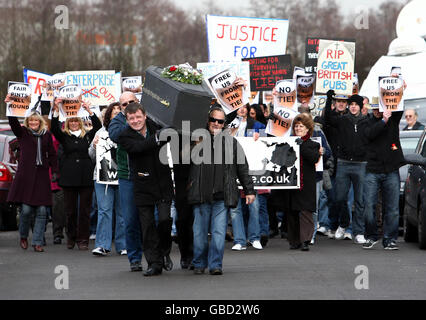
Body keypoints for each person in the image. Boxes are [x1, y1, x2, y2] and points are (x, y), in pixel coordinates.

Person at [188, 105, 255, 275]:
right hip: (201, 194)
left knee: (218, 233)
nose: (216, 123)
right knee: (199, 235)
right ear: (207, 120)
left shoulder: (231, 143)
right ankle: (198, 263)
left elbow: (242, 167)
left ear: (224, 123)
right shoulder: (195, 138)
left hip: (222, 195)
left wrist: (249, 190)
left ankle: (215, 264)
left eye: (220, 121)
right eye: (213, 120)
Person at [118, 102, 174, 277]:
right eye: (131, 118)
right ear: (127, 120)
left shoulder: (155, 125)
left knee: (165, 220)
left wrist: (165, 132)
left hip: (163, 182)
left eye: (138, 117)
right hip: (142, 185)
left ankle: (164, 252)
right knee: (147, 226)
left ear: (145, 115)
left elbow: (171, 130)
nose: (135, 121)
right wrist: (157, 138)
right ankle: (154, 263)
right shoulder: (124, 135)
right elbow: (138, 148)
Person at [5, 96, 58, 252]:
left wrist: (55, 171)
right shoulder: (23, 134)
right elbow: (13, 122)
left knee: (42, 211)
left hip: (41, 176)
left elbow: (52, 154)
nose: (34, 124)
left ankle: (37, 242)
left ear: (40, 122)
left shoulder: (46, 135)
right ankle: (23, 236)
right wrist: (10, 106)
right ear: (28, 123)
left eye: (36, 121)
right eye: (31, 122)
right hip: (26, 176)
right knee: (26, 210)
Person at [51, 99, 102, 250]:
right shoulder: (64, 136)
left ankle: (83, 239)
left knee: (85, 211)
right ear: (68, 123)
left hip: (85, 177)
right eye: (71, 121)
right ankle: (71, 237)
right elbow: (54, 128)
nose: (74, 123)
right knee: (70, 211)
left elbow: (98, 126)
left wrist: (89, 110)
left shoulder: (87, 136)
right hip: (69, 178)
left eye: (76, 121)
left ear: (80, 122)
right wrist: (55, 109)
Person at [271, 113, 322, 251]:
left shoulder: (314, 144)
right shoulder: (289, 142)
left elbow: (313, 158)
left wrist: (301, 145)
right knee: (292, 211)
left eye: (301, 126)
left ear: (308, 129)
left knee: (306, 212)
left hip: (306, 182)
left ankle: (305, 240)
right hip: (291, 181)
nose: (298, 128)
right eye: (297, 126)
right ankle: (294, 241)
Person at [324, 91, 368, 244]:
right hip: (343, 162)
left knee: (360, 199)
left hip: (361, 164)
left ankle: (359, 231)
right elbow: (327, 118)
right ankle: (343, 224)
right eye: (352, 105)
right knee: (340, 197)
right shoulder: (343, 120)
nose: (354, 107)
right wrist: (329, 99)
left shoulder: (366, 121)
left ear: (361, 107)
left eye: (357, 105)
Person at [362, 99, 405, 250]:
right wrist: (383, 120)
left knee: (392, 208)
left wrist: (397, 83)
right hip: (372, 170)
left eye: (379, 109)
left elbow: (399, 105)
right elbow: (370, 134)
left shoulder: (393, 120)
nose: (377, 112)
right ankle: (371, 236)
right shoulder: (366, 122)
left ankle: (390, 239)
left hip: (391, 169)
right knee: (369, 206)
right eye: (374, 109)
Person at [108, 92, 143, 272]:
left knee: (153, 219)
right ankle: (135, 258)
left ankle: (156, 256)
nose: (128, 105)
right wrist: (134, 123)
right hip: (128, 176)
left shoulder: (146, 116)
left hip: (149, 176)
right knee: (130, 220)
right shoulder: (118, 121)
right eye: (124, 104)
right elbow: (114, 135)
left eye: (132, 102)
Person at [89, 102, 127, 256]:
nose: (117, 113)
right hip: (102, 177)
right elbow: (91, 156)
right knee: (104, 210)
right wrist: (94, 146)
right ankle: (102, 245)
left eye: (120, 111)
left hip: (122, 175)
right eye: (114, 111)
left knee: (122, 212)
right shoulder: (101, 132)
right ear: (109, 114)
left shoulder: (127, 131)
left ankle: (123, 245)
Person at [228, 104, 265, 251]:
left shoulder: (257, 125)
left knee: (254, 206)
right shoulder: (229, 124)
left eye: (244, 107)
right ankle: (239, 240)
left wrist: (260, 137)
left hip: (251, 169)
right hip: (233, 169)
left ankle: (254, 238)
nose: (242, 109)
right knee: (235, 208)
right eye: (239, 107)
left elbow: (265, 144)